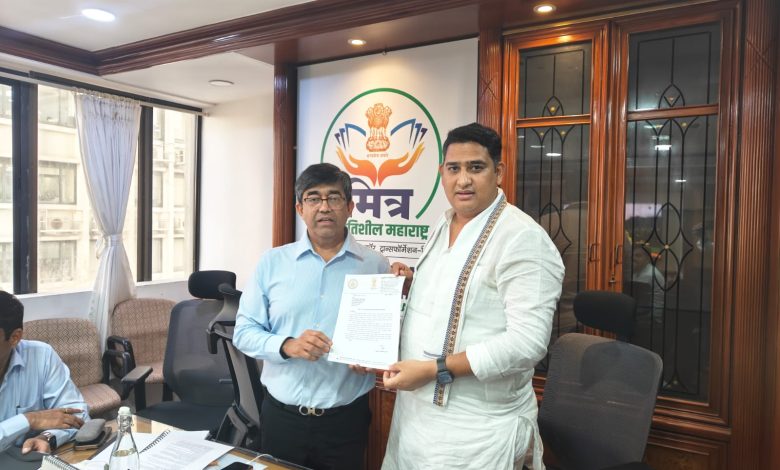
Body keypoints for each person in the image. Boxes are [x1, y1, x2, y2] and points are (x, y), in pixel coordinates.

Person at [381, 123, 564, 469]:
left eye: (475, 167)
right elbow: (457, 295)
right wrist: (411, 284)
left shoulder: (522, 237)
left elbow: (527, 343)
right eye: (454, 168)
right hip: (415, 418)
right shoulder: (444, 223)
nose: (463, 180)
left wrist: (434, 370)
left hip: (475, 433)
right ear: (442, 173)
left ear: (499, 172)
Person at [233, 163, 390, 470]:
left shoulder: (375, 265)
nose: (324, 207)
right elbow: (244, 332)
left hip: (346, 421)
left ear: (350, 207)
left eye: (334, 197)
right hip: (282, 419)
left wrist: (373, 359)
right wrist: (286, 345)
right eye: (313, 198)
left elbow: (382, 337)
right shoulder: (272, 263)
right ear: (299, 208)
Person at [0, 291, 88, 454]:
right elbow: (33, 420)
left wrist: (47, 437)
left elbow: (76, 412)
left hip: (27, 458)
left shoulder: (41, 356)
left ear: (15, 337)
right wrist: (29, 420)